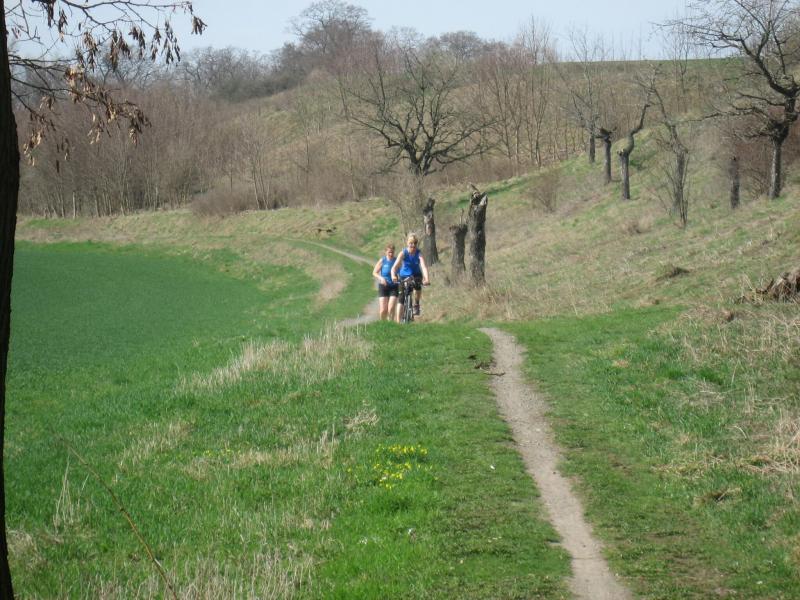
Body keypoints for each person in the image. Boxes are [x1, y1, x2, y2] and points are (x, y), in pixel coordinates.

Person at [391, 233, 430, 319]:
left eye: (415, 243)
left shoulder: (419, 253)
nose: (413, 245)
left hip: (416, 275)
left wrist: (426, 279)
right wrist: (393, 276)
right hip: (403, 276)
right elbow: (394, 267)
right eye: (411, 243)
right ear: (407, 243)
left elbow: (423, 266)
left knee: (418, 287)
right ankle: (398, 323)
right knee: (401, 299)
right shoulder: (403, 253)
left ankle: (416, 304)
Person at [372, 243, 399, 321]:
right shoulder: (383, 260)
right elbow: (374, 272)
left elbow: (401, 272)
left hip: (394, 286)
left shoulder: (396, 261)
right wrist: (381, 278)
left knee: (391, 308)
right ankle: (383, 324)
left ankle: (390, 324)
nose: (391, 254)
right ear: (386, 252)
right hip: (383, 286)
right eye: (389, 252)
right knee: (383, 310)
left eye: (392, 252)